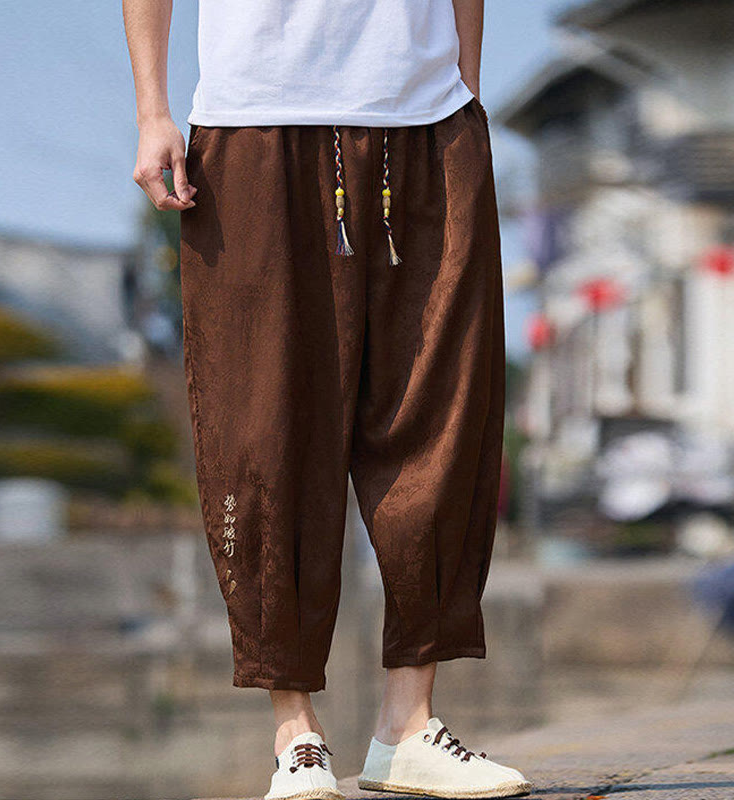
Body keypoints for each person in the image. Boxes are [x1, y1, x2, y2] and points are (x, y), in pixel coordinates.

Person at [124, 0, 532, 797]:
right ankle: (295, 734)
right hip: (253, 120)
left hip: (426, 117)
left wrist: (467, 91)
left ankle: (408, 725)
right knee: (262, 426)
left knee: (438, 412)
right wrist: (152, 112)